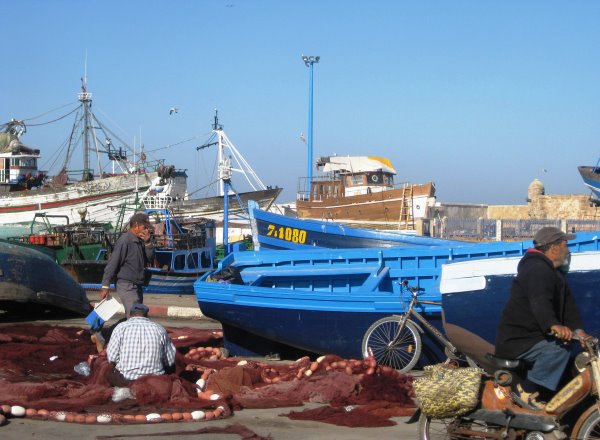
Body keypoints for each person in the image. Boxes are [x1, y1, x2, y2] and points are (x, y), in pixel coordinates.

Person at [495, 226, 589, 410]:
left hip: (533, 338)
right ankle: (526, 391)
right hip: (518, 340)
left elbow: (569, 309)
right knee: (558, 350)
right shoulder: (536, 268)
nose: (568, 250)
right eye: (565, 245)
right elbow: (540, 302)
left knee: (565, 354)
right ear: (554, 248)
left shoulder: (555, 274)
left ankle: (546, 398)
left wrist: (579, 332)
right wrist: (553, 325)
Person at [105, 303, 176, 386]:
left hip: (126, 380)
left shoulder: (120, 328)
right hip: (155, 381)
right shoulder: (159, 329)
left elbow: (112, 358)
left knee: (107, 372)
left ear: (130, 315)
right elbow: (170, 360)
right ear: (146, 315)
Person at [100, 212, 154, 318]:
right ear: (136, 225)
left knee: (135, 315)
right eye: (145, 227)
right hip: (126, 285)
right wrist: (105, 285)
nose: (147, 230)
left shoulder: (140, 240)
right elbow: (113, 263)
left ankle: (113, 332)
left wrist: (148, 243)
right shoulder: (125, 241)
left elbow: (149, 258)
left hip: (137, 285)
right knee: (136, 316)